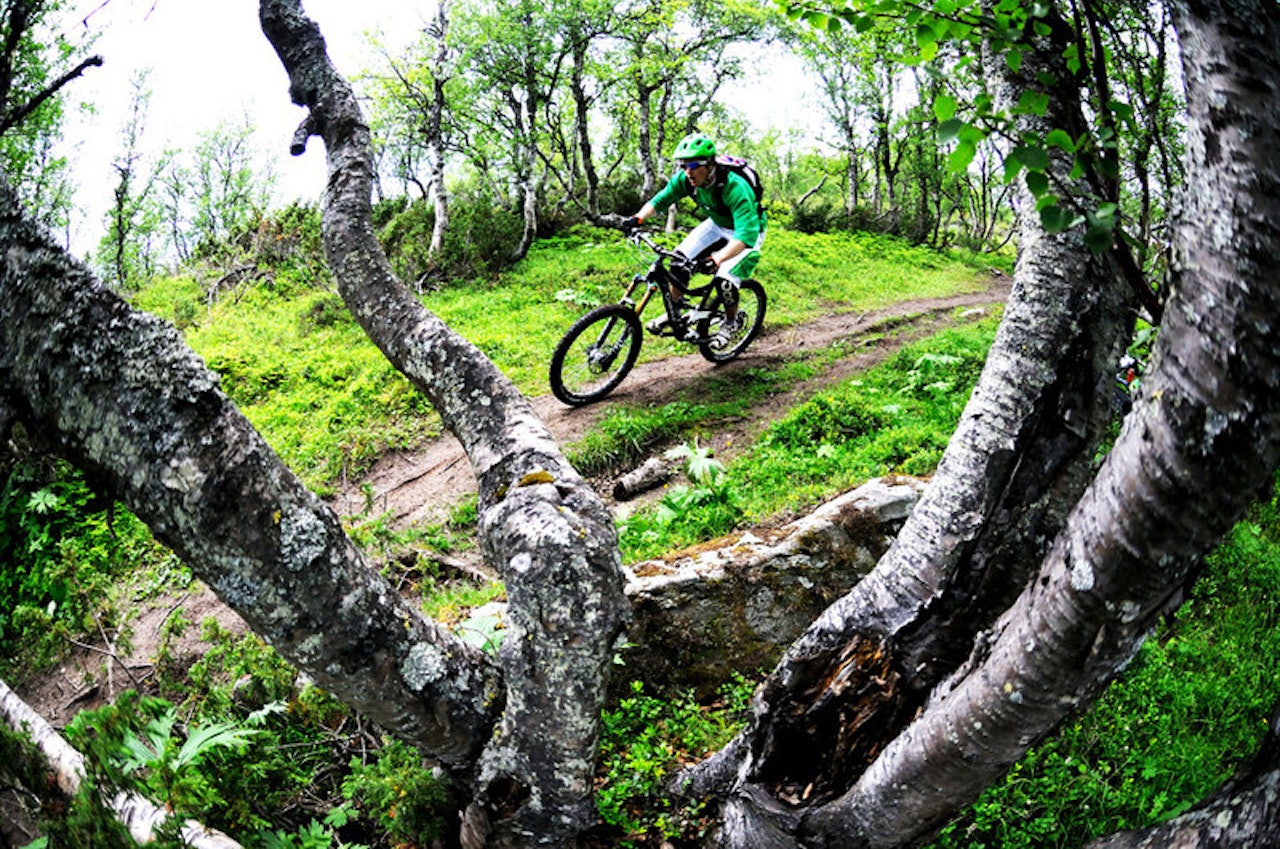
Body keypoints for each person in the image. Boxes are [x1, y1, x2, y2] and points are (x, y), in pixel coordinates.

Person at [620, 133, 766, 346]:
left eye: (694, 165)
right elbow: (662, 198)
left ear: (709, 165)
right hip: (717, 224)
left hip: (746, 232)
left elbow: (745, 236)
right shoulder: (687, 179)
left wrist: (716, 259)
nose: (688, 171)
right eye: (683, 165)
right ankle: (675, 314)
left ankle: (731, 322)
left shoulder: (734, 187)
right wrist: (638, 218)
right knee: (678, 260)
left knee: (725, 280)